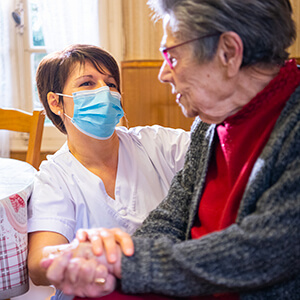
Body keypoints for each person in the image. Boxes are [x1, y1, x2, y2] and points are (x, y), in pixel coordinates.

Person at [40, 1, 300, 299]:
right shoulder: (209, 125)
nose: (163, 73)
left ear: (228, 52)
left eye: (171, 56)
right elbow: (172, 214)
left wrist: (129, 263)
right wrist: (117, 256)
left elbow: (260, 251)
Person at [27, 44, 190, 300]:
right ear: (56, 102)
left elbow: (214, 142)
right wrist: (82, 253)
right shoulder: (54, 177)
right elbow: (38, 264)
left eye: (111, 84)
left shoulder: (155, 144)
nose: (105, 92)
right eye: (87, 84)